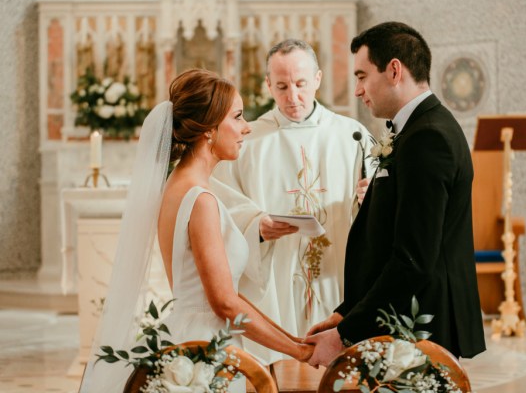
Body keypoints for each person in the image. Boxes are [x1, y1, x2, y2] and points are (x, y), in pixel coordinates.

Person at [79, 69, 313, 393]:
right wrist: (299, 351)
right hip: (205, 350)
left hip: (189, 336)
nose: (246, 127)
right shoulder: (200, 199)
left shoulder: (178, 184)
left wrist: (295, 339)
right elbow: (225, 305)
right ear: (208, 129)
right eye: (238, 117)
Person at [305, 22, 486, 366]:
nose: (357, 90)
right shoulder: (416, 131)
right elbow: (390, 238)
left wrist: (347, 333)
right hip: (402, 321)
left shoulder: (428, 138)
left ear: (393, 70)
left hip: (419, 329)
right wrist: (348, 313)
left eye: (361, 76)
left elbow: (413, 260)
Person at [211, 39, 373, 363]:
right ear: (268, 84)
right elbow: (221, 206)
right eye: (282, 86)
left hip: (336, 273)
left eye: (300, 84)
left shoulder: (352, 135)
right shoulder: (247, 141)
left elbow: (376, 212)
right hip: (273, 278)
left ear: (318, 79)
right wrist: (255, 226)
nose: (293, 97)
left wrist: (369, 199)